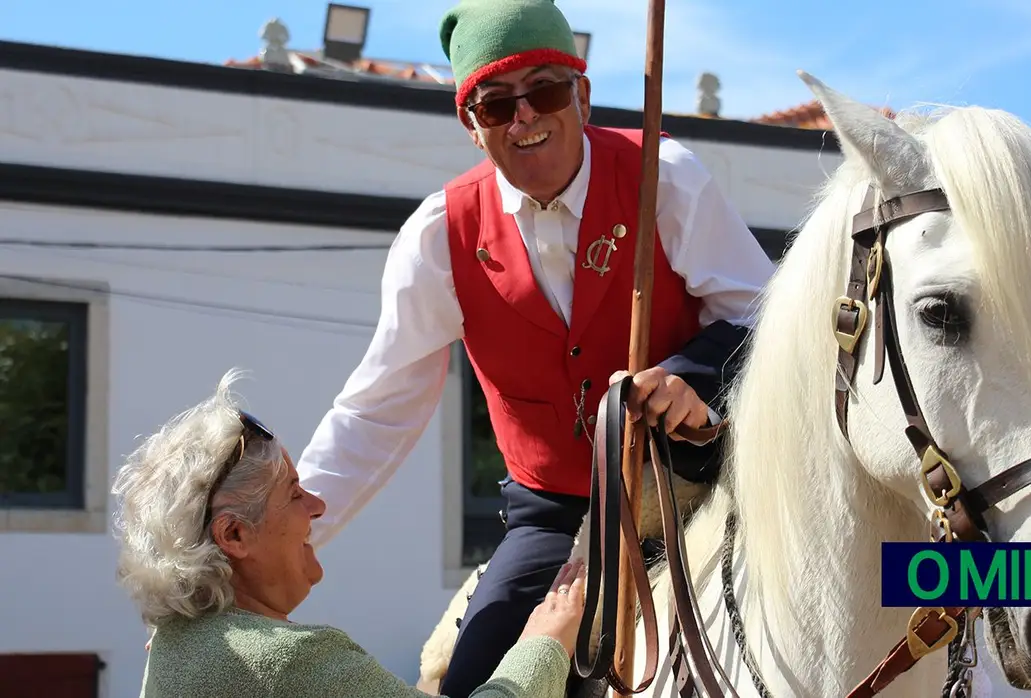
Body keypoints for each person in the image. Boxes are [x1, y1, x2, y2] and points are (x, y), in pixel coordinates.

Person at [296, 0, 776, 695]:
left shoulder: (665, 177)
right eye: (495, 105)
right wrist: (289, 537)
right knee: (472, 679)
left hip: (699, 477)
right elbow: (377, 409)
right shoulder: (438, 237)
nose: (524, 117)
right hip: (557, 512)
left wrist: (685, 375)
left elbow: (764, 318)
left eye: (545, 90)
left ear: (582, 96)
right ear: (471, 127)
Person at [112, 370, 586, 698]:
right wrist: (545, 642)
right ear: (233, 535)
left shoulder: (174, 645)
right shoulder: (286, 660)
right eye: (295, 493)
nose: (318, 507)